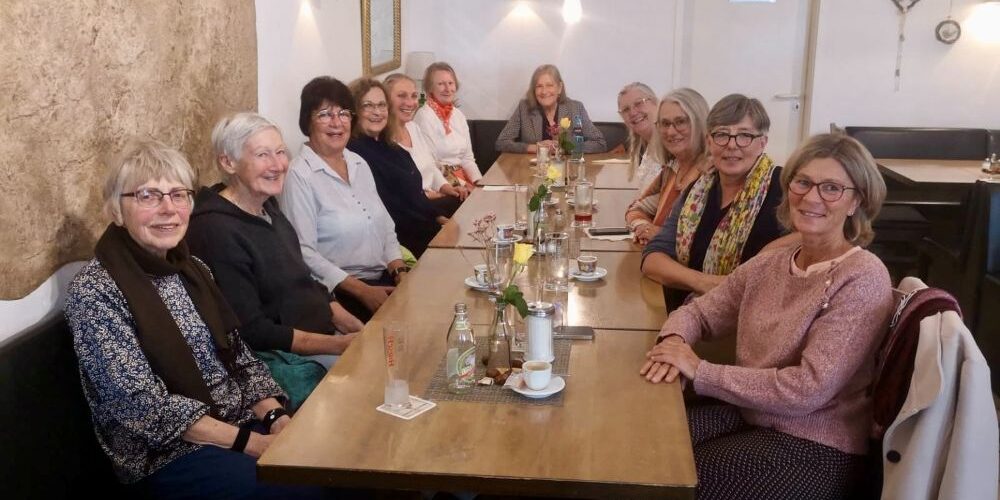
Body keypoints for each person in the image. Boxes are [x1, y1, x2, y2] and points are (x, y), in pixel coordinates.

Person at [64, 138, 327, 498]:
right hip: (167, 453)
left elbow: (240, 359)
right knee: (302, 490)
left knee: (340, 464)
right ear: (115, 209)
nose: (168, 209)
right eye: (147, 196)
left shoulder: (193, 268)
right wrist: (253, 444)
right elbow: (144, 408)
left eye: (178, 194)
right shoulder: (96, 292)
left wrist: (276, 419)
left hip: (237, 422)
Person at [641, 133, 893, 499]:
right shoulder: (770, 263)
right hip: (750, 412)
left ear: (857, 200)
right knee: (643, 443)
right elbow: (700, 311)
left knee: (671, 481)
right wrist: (674, 342)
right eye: (802, 182)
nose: (811, 197)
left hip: (815, 443)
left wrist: (700, 370)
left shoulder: (862, 278)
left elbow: (807, 389)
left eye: (832, 188)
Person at [186, 112, 364, 407]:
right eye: (262, 155)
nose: (278, 165)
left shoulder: (267, 206)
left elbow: (304, 280)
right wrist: (339, 345)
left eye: (281, 152)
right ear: (227, 163)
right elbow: (252, 331)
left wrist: (356, 327)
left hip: (323, 337)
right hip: (288, 358)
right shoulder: (215, 230)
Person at [641, 94, 791, 311]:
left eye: (744, 135)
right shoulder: (697, 191)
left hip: (746, 323)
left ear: (762, 143)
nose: (731, 145)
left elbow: (824, 239)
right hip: (685, 314)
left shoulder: (786, 188)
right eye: (721, 135)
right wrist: (705, 283)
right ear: (709, 141)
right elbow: (653, 258)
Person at [281, 76, 410, 323]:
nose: (337, 123)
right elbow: (303, 252)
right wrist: (362, 291)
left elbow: (385, 226)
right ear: (307, 121)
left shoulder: (358, 162)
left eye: (343, 113)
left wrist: (400, 270)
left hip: (383, 278)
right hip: (339, 293)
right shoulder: (299, 175)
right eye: (325, 115)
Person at [347, 78, 445, 257]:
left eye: (382, 105)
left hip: (427, 230)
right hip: (403, 244)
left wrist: (440, 219)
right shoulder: (355, 153)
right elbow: (389, 210)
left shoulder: (391, 146)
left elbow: (416, 194)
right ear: (354, 111)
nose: (377, 112)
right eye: (368, 105)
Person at [626, 88, 711, 246]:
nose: (670, 132)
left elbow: (709, 240)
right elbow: (637, 208)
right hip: (657, 259)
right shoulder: (672, 170)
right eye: (665, 124)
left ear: (699, 122)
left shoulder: (712, 175)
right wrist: (642, 225)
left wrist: (661, 234)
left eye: (680, 122)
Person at [384, 72, 467, 217]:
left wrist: (449, 188)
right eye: (401, 96)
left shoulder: (413, 127)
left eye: (414, 96)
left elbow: (431, 167)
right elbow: (400, 194)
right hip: (414, 211)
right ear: (386, 101)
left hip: (435, 199)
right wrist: (433, 196)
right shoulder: (384, 141)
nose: (410, 103)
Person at [495, 64, 607, 154]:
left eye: (549, 85)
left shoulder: (576, 108)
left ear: (559, 88)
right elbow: (501, 143)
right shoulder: (524, 108)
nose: (544, 91)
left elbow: (600, 143)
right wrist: (536, 148)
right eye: (539, 86)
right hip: (532, 173)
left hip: (566, 172)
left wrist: (565, 148)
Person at [412, 61, 482, 187]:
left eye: (450, 83)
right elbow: (431, 164)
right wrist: (462, 185)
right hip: (442, 183)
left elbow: (467, 158)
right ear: (430, 88)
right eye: (441, 84)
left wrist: (479, 183)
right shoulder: (423, 116)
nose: (448, 89)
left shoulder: (458, 115)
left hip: (463, 179)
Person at [615, 82, 661, 190]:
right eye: (626, 109)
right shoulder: (646, 146)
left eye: (639, 103)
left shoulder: (670, 145)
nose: (633, 112)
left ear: (655, 102)